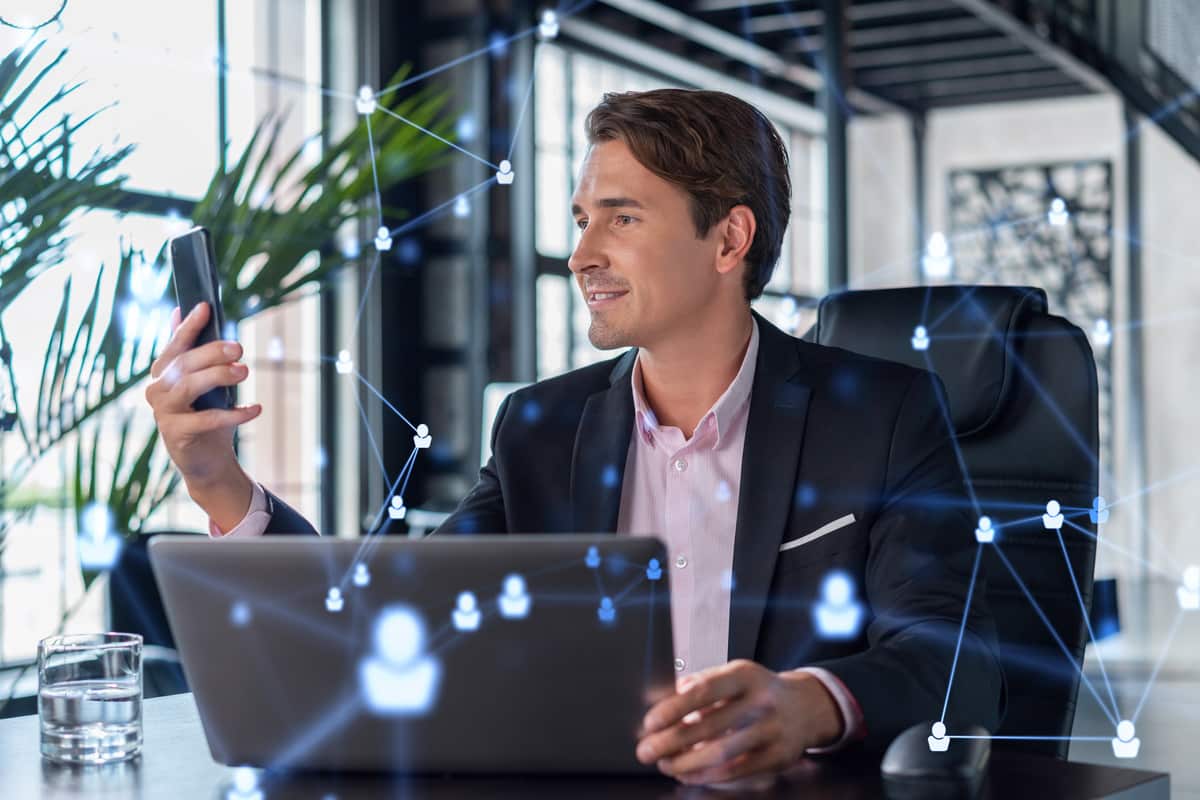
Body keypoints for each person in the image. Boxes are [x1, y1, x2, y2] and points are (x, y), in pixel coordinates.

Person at [146, 88, 1002, 786]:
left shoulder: (884, 415)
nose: (581, 252)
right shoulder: (540, 428)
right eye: (581, 217)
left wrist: (803, 704)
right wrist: (220, 480)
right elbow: (385, 621)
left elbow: (950, 650)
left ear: (729, 239)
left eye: (622, 218)